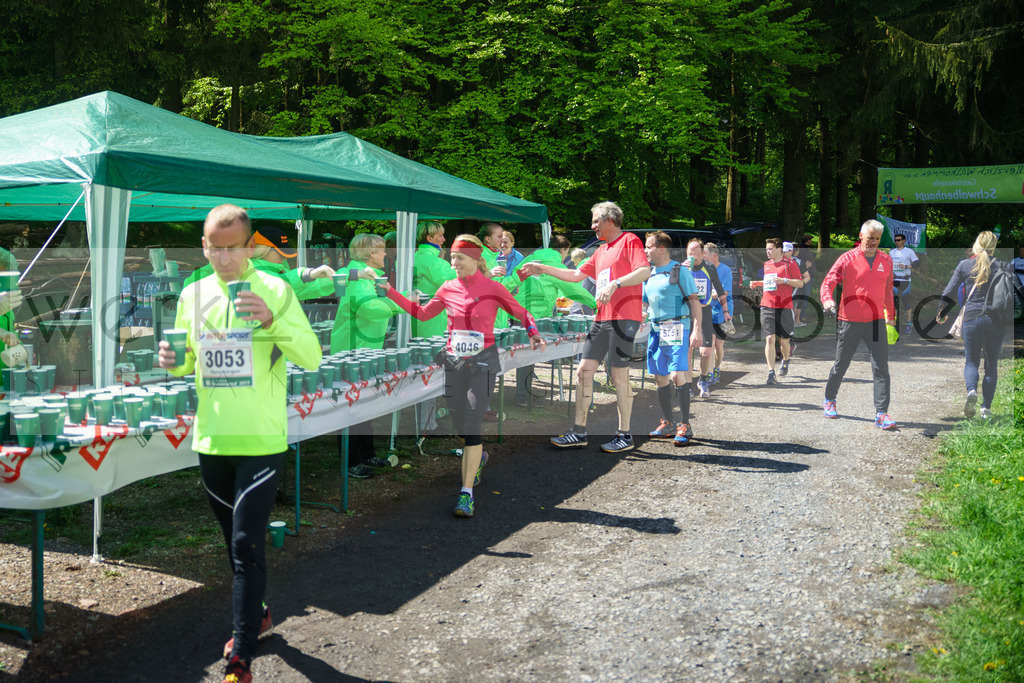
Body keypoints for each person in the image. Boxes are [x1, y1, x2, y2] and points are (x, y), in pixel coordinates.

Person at [159, 204, 321, 683]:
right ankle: (260, 613)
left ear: (251, 247)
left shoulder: (275, 288)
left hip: (261, 440)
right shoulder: (192, 293)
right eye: (215, 248)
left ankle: (241, 656)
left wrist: (272, 321)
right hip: (212, 439)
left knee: (247, 542)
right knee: (235, 546)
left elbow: (311, 356)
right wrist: (171, 359)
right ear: (203, 246)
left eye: (233, 248)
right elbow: (187, 363)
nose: (224, 258)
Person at [372, 234, 543, 517]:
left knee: (472, 423)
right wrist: (391, 292)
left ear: (475, 259)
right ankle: (479, 457)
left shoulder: (492, 288)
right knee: (460, 423)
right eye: (452, 257)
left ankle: (466, 494)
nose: (454, 263)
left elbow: (521, 312)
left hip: (483, 363)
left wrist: (533, 332)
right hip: (454, 363)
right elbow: (423, 314)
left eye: (459, 258)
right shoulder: (448, 287)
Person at [520, 201, 650, 453]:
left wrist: (616, 283)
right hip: (601, 319)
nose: (592, 226)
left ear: (610, 220)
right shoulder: (600, 251)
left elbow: (644, 271)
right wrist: (541, 268)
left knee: (619, 375)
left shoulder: (629, 240)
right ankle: (579, 431)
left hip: (624, 318)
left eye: (595, 221)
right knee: (583, 371)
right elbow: (576, 275)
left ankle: (625, 435)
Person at [331, 232, 405, 479]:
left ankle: (366, 453)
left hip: (365, 349)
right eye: (382, 249)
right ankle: (351, 460)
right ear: (371, 253)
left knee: (366, 403)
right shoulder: (356, 276)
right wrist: (402, 304)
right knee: (351, 407)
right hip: (352, 350)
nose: (385, 253)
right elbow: (369, 309)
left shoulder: (369, 275)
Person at [936, 231, 1024, 419]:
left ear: (977, 244)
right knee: (991, 365)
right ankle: (986, 409)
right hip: (996, 319)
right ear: (994, 246)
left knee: (971, 361)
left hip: (972, 318)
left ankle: (971, 391)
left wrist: (942, 312)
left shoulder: (964, 265)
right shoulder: (1005, 265)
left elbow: (949, 291)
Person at [819, 219, 897, 429]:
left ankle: (881, 413)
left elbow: (888, 290)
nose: (873, 242)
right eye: (870, 238)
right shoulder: (847, 259)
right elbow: (828, 282)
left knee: (881, 368)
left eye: (877, 239)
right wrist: (827, 299)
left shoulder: (886, 260)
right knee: (841, 365)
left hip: (876, 321)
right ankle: (830, 399)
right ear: (861, 236)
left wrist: (891, 315)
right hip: (849, 320)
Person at [503, 234, 596, 406]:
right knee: (527, 356)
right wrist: (595, 303)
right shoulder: (554, 264)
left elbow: (513, 280)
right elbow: (573, 289)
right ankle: (523, 396)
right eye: (566, 253)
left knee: (521, 354)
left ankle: (522, 393)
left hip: (515, 312)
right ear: (563, 249)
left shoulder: (531, 257)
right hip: (534, 315)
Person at [644, 232, 702, 445]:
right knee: (660, 377)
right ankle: (668, 422)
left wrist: (697, 330)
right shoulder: (649, 273)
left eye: (648, 246)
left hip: (677, 326)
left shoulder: (679, 270)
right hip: (655, 329)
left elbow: (694, 301)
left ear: (661, 249)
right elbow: (645, 302)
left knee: (678, 375)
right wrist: (641, 314)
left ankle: (685, 424)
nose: (645, 250)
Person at [184, 225, 335, 300]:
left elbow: (309, 286)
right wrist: (306, 274)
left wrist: (344, 277)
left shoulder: (279, 269)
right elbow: (274, 283)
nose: (285, 258)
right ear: (263, 250)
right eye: (280, 253)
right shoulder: (249, 270)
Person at [412, 221, 456, 434]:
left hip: (413, 322)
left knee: (417, 372)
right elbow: (456, 283)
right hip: (433, 325)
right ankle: (427, 425)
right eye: (440, 235)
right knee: (430, 374)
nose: (444, 239)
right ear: (430, 238)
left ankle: (424, 421)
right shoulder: (436, 262)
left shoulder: (410, 258)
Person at [685, 239, 731, 398]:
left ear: (702, 253)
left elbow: (720, 290)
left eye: (695, 253)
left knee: (706, 353)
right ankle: (688, 386)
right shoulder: (682, 268)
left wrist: (725, 310)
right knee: (688, 352)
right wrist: (680, 271)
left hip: (705, 313)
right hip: (687, 313)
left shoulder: (709, 267)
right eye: (689, 253)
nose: (692, 256)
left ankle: (703, 380)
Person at [753, 239, 802, 385]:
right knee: (769, 339)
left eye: (770, 249)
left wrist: (785, 281)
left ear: (779, 249)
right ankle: (771, 373)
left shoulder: (789, 264)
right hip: (767, 305)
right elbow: (770, 282)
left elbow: (800, 283)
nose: (767, 252)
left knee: (784, 340)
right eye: (766, 249)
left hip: (784, 306)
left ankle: (785, 360)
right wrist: (757, 283)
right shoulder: (766, 264)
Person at [703, 242, 733, 385]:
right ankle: (709, 373)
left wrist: (705, 295)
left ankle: (717, 368)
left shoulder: (725, 270)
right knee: (709, 343)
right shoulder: (703, 269)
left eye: (705, 255)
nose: (702, 257)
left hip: (721, 310)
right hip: (707, 310)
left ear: (714, 256)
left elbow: (723, 293)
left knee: (718, 345)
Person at [889, 233, 919, 334]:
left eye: (899, 240)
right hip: (894, 280)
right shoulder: (891, 252)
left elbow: (917, 263)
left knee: (906, 302)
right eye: (895, 240)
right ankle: (894, 323)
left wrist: (906, 266)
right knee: (894, 302)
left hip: (905, 280)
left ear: (904, 241)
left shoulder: (909, 251)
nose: (897, 242)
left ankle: (909, 323)